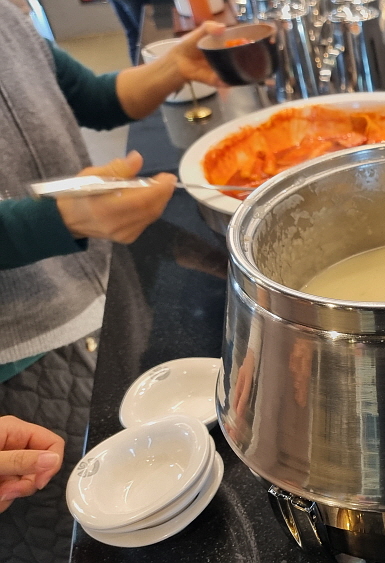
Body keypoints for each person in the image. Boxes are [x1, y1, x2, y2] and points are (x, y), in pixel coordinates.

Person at [0, 2, 224, 560]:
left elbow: (93, 98)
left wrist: (174, 66)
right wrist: (59, 220)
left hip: (100, 289)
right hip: (22, 359)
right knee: (88, 524)